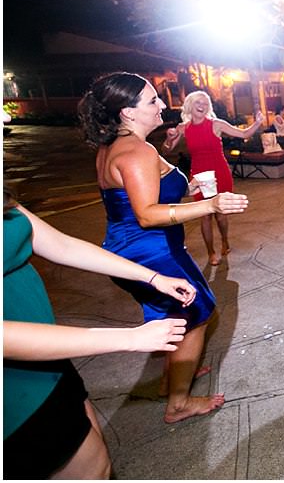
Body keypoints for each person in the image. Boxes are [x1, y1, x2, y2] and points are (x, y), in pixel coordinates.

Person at [79, 72, 250, 422]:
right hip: (151, 251)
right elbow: (147, 214)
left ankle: (171, 379)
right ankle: (178, 403)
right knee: (198, 313)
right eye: (152, 101)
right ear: (127, 112)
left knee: (173, 315)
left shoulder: (118, 144)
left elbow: (147, 195)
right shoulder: (135, 151)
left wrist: (187, 184)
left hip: (134, 248)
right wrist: (210, 205)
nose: (162, 105)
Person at [3, 193, 190, 479]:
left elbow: (62, 246)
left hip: (50, 356)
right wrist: (130, 339)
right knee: (92, 468)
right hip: (15, 388)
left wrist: (152, 277)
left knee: (97, 457)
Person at [162, 90, 263, 265]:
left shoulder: (216, 124)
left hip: (220, 173)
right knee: (205, 215)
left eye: (205, 103)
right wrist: (169, 139)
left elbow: (244, 134)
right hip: (199, 175)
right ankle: (211, 252)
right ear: (190, 106)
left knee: (221, 214)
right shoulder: (182, 128)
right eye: (198, 103)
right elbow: (166, 151)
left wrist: (258, 122)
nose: (202, 106)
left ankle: (224, 240)